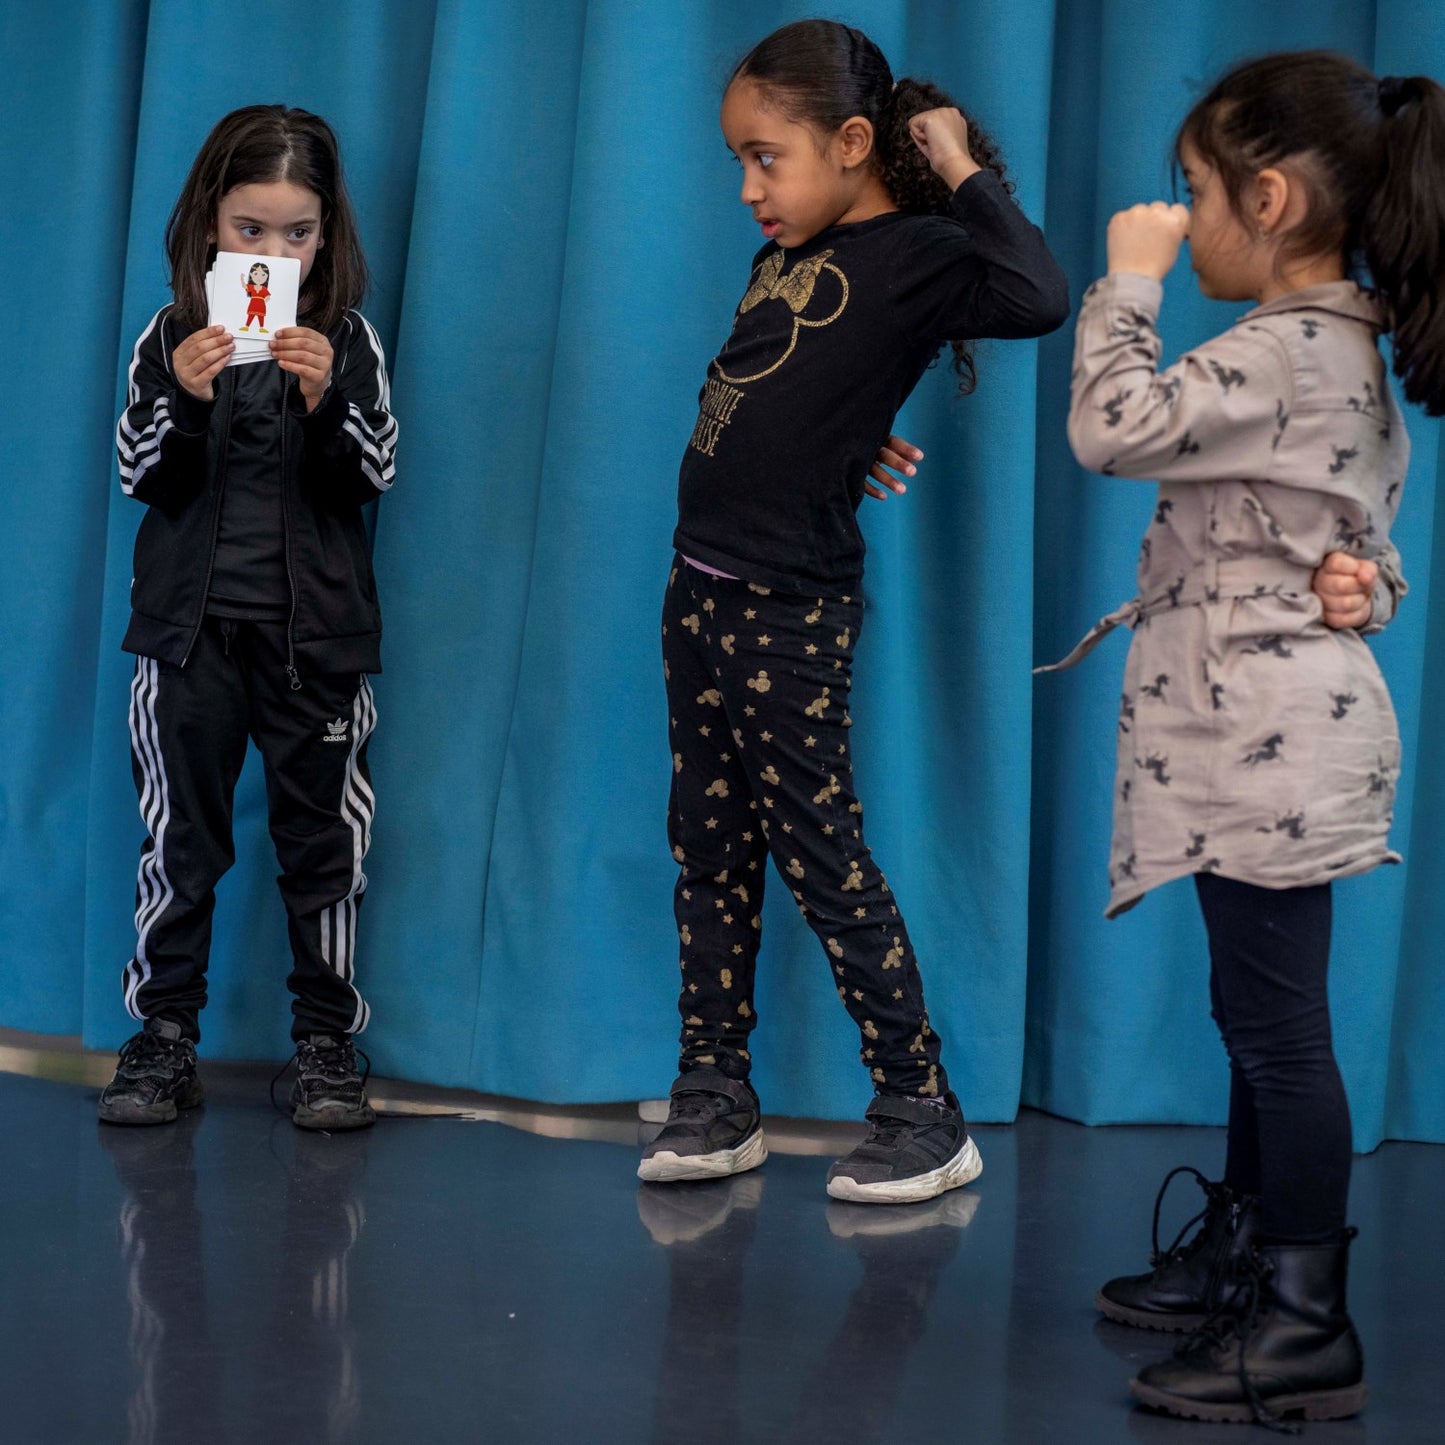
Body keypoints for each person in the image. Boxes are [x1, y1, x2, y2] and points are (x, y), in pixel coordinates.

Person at [1055, 50, 1445, 1427]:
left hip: (1265, 739)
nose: (1177, 212)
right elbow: (1359, 544)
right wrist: (1363, 588)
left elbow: (1111, 429)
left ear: (1266, 200)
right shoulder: (1343, 351)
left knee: (1277, 1033)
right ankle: (1246, 1253)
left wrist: (1127, 281)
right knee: (1255, 1016)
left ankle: (1303, 1323)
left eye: (1192, 189)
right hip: (1274, 729)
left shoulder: (1277, 350)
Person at [639, 18, 1069, 1202]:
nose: (747, 188)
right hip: (696, 585)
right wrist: (838, 435)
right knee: (708, 850)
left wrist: (957, 161)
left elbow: (1036, 295)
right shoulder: (785, 251)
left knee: (819, 851)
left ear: (850, 143)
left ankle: (921, 1107)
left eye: (764, 158)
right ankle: (714, 1093)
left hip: (784, 604)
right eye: (737, 161)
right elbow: (772, 377)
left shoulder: (916, 251)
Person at [101, 105, 397, 1132]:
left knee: (325, 849)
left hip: (315, 646)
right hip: (187, 644)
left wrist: (325, 402)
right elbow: (138, 471)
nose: (274, 251)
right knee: (178, 843)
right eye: (250, 229)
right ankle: (162, 1037)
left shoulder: (345, 340)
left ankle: (326, 1044)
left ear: (326, 234)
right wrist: (185, 399)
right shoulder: (171, 336)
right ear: (208, 225)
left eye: (296, 232)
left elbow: (374, 473)